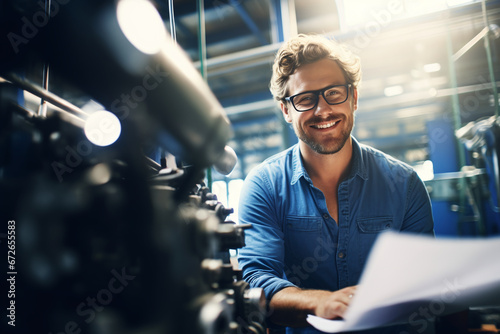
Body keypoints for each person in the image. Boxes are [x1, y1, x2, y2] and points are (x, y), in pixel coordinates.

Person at [237, 34, 435, 333]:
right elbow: (256, 280)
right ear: (286, 110)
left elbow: (430, 281)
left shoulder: (405, 184)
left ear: (354, 97)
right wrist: (319, 303)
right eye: (305, 99)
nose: (323, 110)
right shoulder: (264, 186)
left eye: (333, 93)